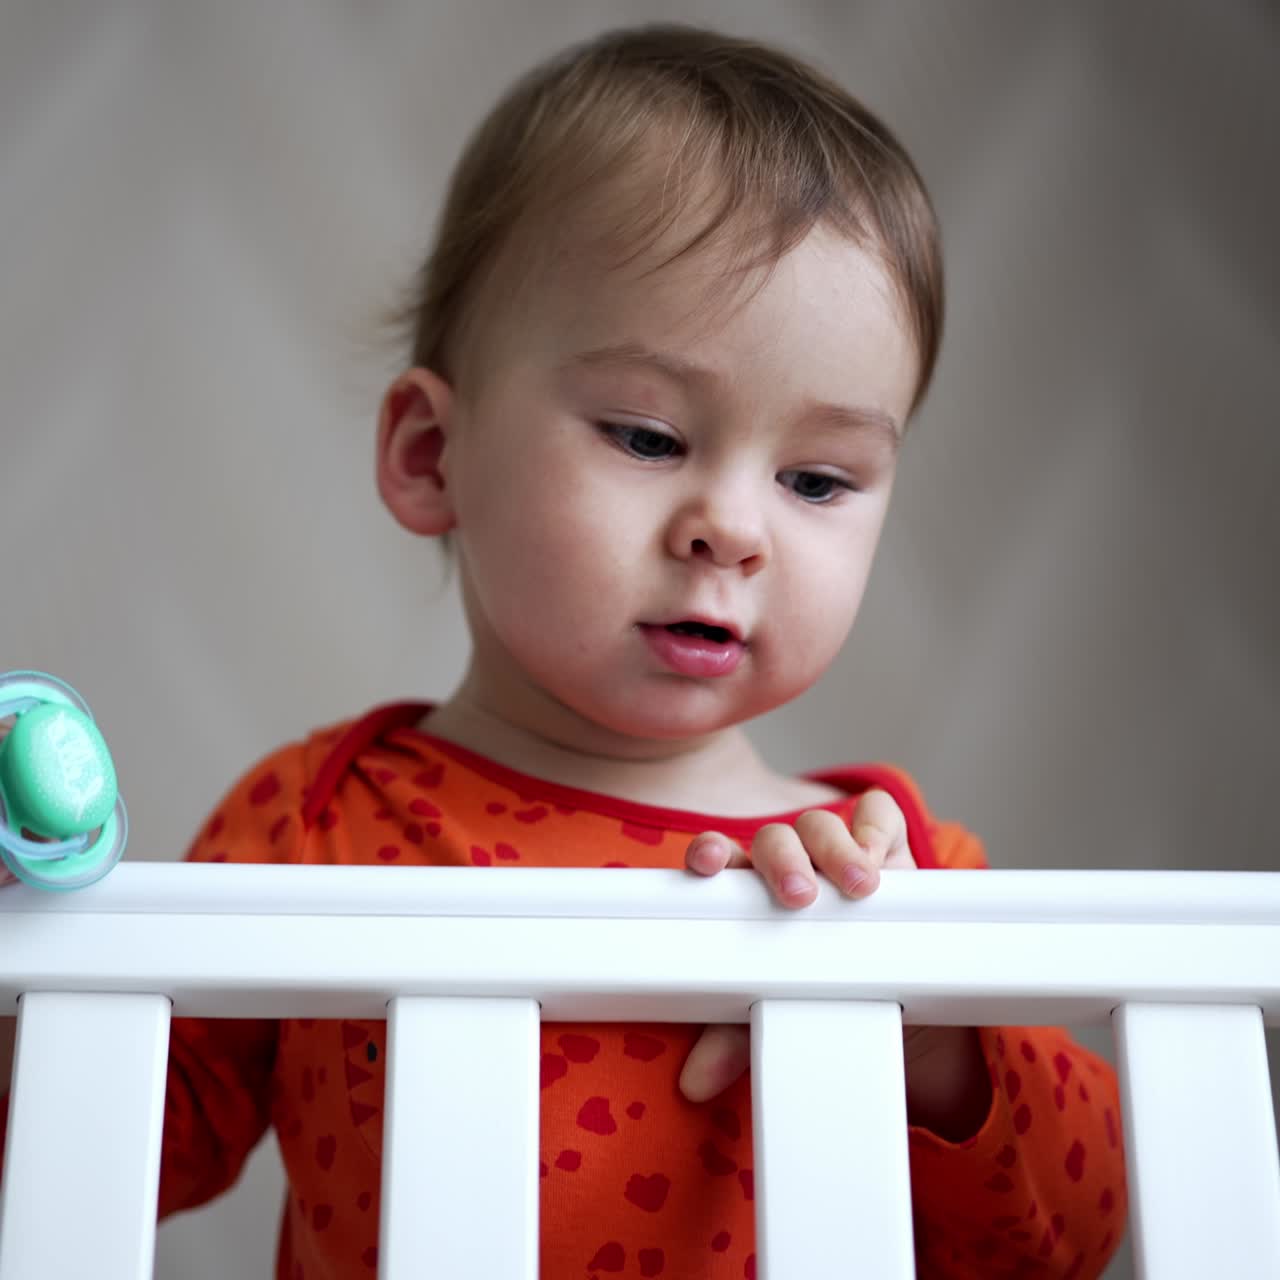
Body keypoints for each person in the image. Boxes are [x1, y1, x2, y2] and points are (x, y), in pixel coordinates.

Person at [0, 23, 1128, 1279]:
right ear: (434, 457)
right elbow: (85, 1149)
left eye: (817, 476)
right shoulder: (315, 821)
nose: (732, 527)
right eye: (647, 437)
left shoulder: (888, 869)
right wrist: (27, 954)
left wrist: (932, 1041)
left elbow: (1072, 1238)